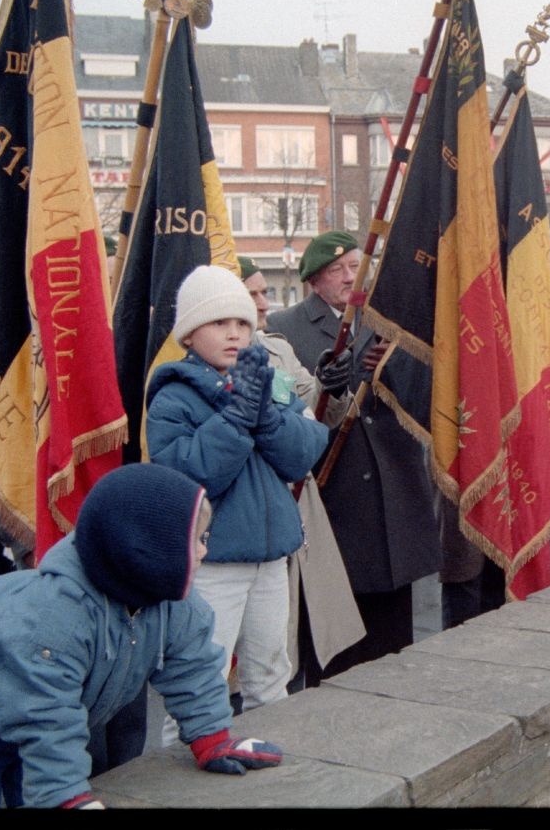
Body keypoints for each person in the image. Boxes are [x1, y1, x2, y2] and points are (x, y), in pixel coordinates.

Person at [0, 464, 283, 808]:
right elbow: (47, 718)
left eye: (205, 537)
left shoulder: (170, 602)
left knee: (31, 791)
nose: (205, 550)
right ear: (145, 549)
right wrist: (66, 797)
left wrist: (211, 738)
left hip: (53, 714)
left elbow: (193, 667)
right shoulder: (51, 620)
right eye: (195, 540)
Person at [145, 265, 330, 735]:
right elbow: (190, 478)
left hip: (271, 558)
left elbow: (305, 452)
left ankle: (269, 765)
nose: (235, 334)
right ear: (189, 334)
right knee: (198, 682)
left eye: (243, 323)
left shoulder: (266, 381)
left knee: (271, 676)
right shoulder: (173, 398)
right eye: (219, 323)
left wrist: (264, 415)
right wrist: (237, 419)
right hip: (213, 565)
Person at [268, 232, 441, 680]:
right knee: (336, 631)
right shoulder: (285, 328)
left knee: (394, 635)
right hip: (337, 493)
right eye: (337, 270)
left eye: (356, 266)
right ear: (314, 280)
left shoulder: (386, 321)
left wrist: (396, 365)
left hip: (393, 488)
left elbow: (424, 393)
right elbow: (286, 402)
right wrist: (329, 383)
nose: (351, 277)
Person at [238, 257, 364, 687]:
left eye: (261, 292)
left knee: (301, 628)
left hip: (296, 502)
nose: (262, 302)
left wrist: (333, 385)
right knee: (253, 649)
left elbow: (315, 414)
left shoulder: (276, 349)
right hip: (248, 509)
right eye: (252, 293)